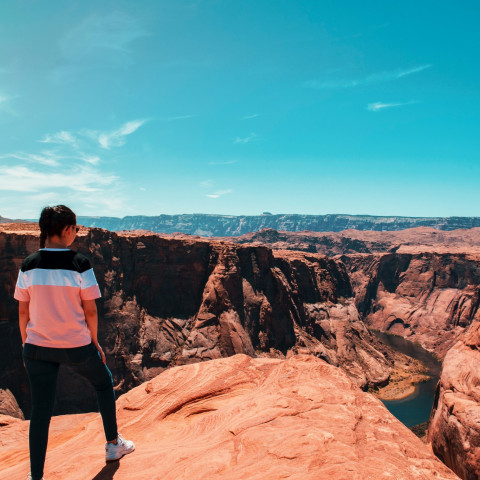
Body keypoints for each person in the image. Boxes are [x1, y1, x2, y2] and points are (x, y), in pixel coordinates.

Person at [14, 205, 135, 480]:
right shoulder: (79, 263)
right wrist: (94, 342)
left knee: (40, 410)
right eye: (76, 229)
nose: (76, 234)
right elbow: (90, 309)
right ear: (68, 229)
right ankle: (113, 446)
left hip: (36, 348)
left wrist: (26, 344)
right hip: (76, 346)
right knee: (103, 383)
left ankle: (36, 476)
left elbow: (23, 310)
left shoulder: (28, 264)